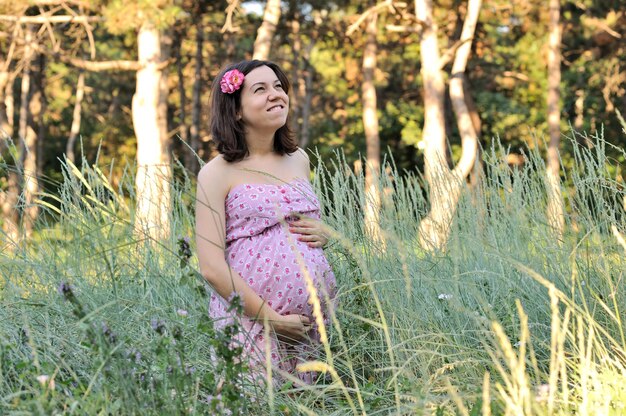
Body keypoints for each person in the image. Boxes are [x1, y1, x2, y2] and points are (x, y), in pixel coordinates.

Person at [195, 60, 337, 384]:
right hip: (253, 325)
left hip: (307, 329)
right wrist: (271, 318)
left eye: (278, 86)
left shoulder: (299, 159)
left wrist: (326, 234)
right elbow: (211, 267)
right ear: (236, 111)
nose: (276, 95)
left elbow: (303, 226)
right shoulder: (216, 173)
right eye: (260, 89)